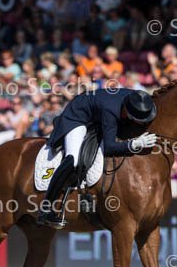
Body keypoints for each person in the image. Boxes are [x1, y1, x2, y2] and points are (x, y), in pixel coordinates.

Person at [37, 88, 158, 228]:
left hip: (97, 112)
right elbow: (110, 147)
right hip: (78, 117)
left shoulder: (137, 98)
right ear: (128, 113)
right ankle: (46, 208)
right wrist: (133, 144)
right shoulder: (110, 111)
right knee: (72, 159)